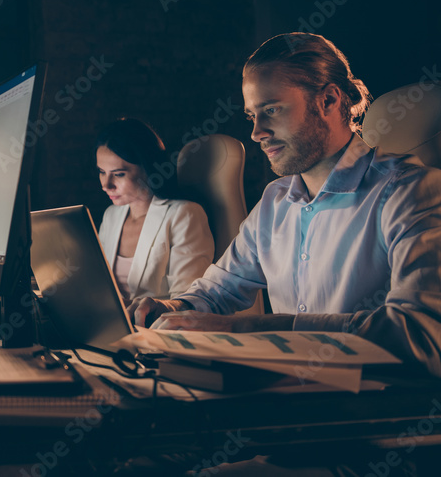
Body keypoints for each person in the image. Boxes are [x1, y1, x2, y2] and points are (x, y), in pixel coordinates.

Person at [130, 32, 441, 379]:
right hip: (292, 399)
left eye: (272, 111)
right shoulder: (275, 201)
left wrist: (249, 331)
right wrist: (174, 308)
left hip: (373, 416)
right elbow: (218, 289)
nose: (257, 132)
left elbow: (421, 335)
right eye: (252, 116)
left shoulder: (410, 191)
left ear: (329, 101)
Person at [95, 118, 213, 304]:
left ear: (147, 168)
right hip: (112, 323)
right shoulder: (111, 215)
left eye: (118, 174)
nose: (106, 185)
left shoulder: (184, 214)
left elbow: (186, 300)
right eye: (102, 172)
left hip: (159, 328)